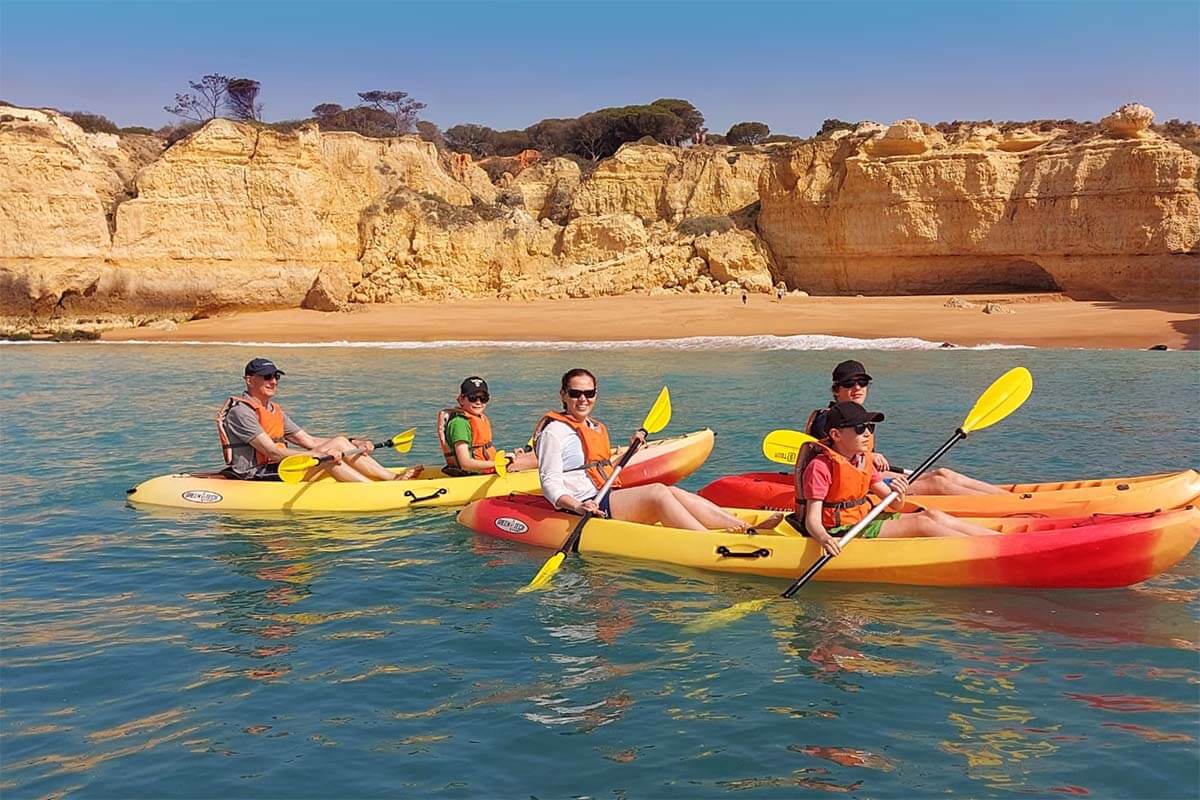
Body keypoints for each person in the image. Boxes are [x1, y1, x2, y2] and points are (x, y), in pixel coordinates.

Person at [535, 368, 784, 531]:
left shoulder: (595, 426)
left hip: (603, 495)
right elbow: (550, 483)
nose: (583, 399)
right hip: (584, 505)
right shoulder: (554, 432)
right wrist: (578, 507)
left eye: (588, 393)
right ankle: (707, 539)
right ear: (563, 395)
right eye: (575, 393)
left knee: (671, 491)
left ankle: (742, 526)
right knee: (657, 493)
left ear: (595, 395)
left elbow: (600, 466)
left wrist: (631, 451)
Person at [797, 401, 1000, 557]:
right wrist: (824, 539)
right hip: (840, 531)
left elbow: (894, 505)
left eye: (870, 427)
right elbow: (812, 520)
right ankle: (989, 553)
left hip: (862, 519)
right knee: (921, 523)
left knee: (933, 515)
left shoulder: (863, 460)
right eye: (859, 429)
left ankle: (1001, 542)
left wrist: (899, 492)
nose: (867, 433)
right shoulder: (820, 467)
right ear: (836, 434)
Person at [804, 360, 1005, 496]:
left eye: (862, 382)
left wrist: (871, 458)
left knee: (943, 473)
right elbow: (834, 455)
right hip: (856, 484)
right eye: (849, 384)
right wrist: (872, 456)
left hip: (871, 475)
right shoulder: (827, 420)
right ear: (836, 390)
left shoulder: (857, 416)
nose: (857, 388)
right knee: (938, 484)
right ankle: (1003, 504)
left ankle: (1010, 497)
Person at [217, 358, 421, 482]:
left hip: (279, 465)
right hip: (256, 473)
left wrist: (353, 443)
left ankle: (390, 478)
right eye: (266, 377)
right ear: (249, 380)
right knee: (327, 461)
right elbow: (271, 451)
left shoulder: (273, 409)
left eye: (276, 376)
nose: (273, 381)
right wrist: (321, 455)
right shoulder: (241, 412)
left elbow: (310, 441)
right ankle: (373, 491)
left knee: (340, 441)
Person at [437, 376, 538, 475]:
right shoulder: (459, 423)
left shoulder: (478, 418)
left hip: (489, 465)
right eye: (473, 398)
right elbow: (465, 463)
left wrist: (504, 459)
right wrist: (497, 464)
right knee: (541, 459)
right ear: (462, 399)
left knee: (536, 455)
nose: (478, 402)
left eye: (483, 398)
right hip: (478, 472)